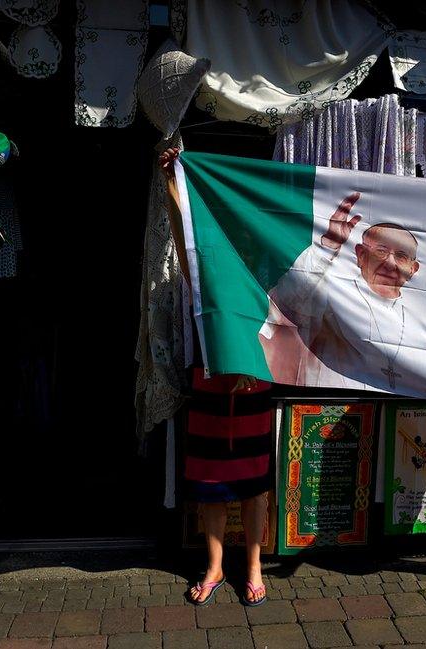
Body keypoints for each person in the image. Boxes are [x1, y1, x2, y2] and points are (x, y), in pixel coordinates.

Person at [159, 147, 270, 607]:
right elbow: (182, 232)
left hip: (255, 387)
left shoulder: (269, 272)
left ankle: (255, 565)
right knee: (211, 484)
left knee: (253, 483)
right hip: (210, 383)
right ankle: (215, 566)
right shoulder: (204, 267)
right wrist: (171, 181)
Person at [258, 192, 426, 402]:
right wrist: (327, 245)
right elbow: (288, 300)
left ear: (413, 268)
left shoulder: (423, 314)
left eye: (401, 256)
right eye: (381, 251)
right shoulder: (332, 293)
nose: (390, 263)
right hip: (332, 407)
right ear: (361, 255)